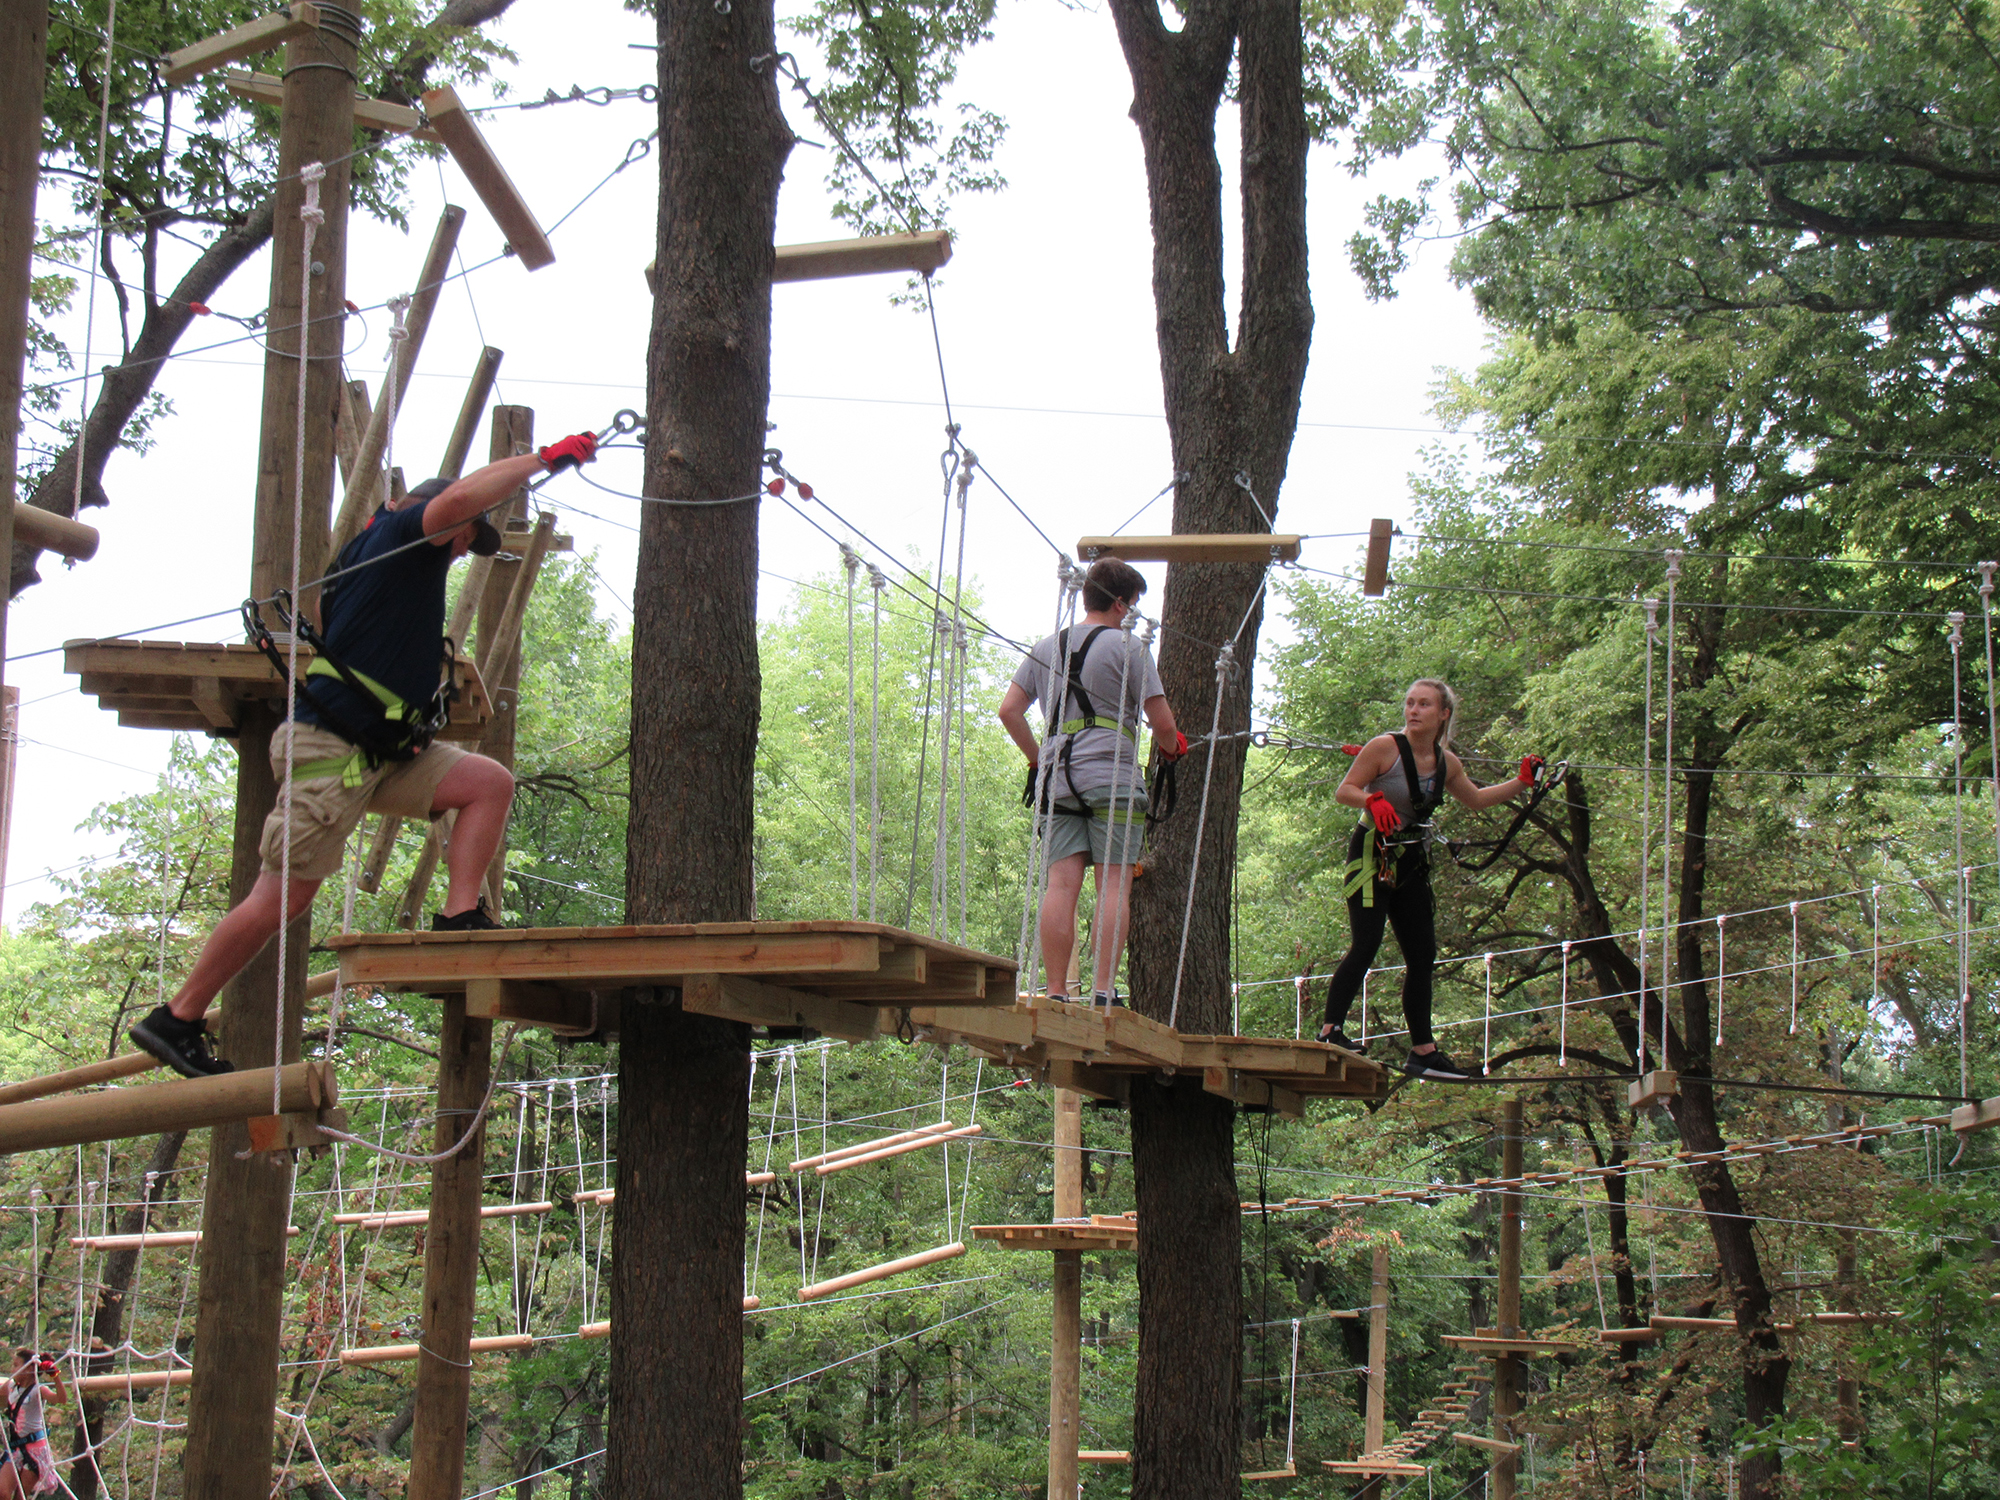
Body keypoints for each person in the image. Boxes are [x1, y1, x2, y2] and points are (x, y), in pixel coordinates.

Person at [128, 432, 600, 1078]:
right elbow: (460, 497)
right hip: (331, 750)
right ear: (444, 520)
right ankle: (176, 1017)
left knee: (487, 784)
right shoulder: (406, 536)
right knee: (281, 899)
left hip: (381, 753)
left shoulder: (387, 560)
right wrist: (545, 461)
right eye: (467, 537)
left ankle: (460, 917)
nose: (465, 548)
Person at [1317, 679, 1542, 1080]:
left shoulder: (1446, 764)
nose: (1413, 710)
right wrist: (1371, 798)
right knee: (1366, 943)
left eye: (1424, 704)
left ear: (1443, 714)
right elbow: (1344, 790)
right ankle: (1331, 1030)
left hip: (1410, 860)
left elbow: (1476, 798)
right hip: (1372, 852)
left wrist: (1522, 783)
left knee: (1423, 956)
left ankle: (1423, 1051)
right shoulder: (1384, 748)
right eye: (1409, 703)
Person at [998, 558, 1186, 1006]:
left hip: (1059, 778)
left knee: (1061, 885)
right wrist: (1173, 747)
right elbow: (1163, 726)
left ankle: (1057, 990)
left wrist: (1037, 760)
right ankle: (1102, 990)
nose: (1131, 613)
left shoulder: (1046, 646)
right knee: (1113, 885)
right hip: (1112, 776)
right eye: (1131, 605)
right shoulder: (1131, 648)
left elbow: (1009, 710)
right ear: (1120, 603)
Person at [1, 1348, 64, 1499]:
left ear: (28, 1368)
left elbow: (61, 1399)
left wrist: (55, 1376)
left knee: (20, 1496)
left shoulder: (38, 1390)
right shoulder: (11, 1387)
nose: (13, 1369)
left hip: (35, 1450)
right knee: (2, 1492)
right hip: (16, 1447)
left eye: (16, 1365)